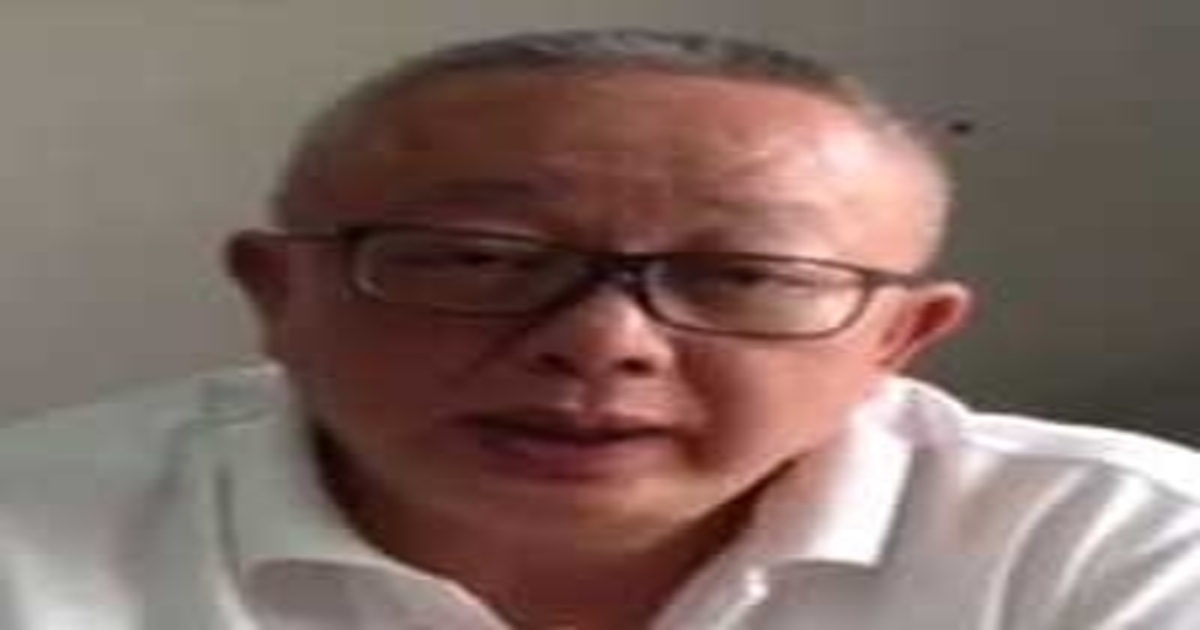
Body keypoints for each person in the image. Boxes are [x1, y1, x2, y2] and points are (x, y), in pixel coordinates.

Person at [1, 28, 1198, 630]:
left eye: (744, 277)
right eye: (481, 258)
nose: (602, 343)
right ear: (279, 294)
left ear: (895, 342)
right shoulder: (30, 541)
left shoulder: (1118, 549)